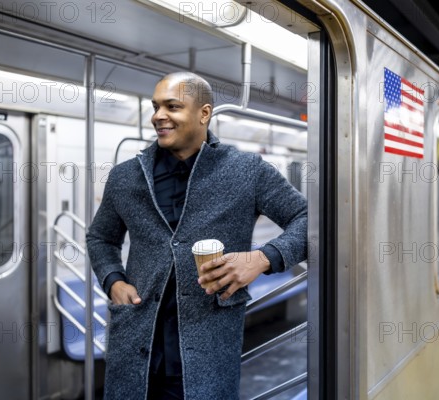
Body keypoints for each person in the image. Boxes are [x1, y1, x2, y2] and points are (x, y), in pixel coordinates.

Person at [86, 71, 308, 400]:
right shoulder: (126, 176)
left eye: (172, 106)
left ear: (204, 113)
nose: (159, 116)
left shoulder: (246, 171)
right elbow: (100, 238)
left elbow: (307, 220)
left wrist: (263, 258)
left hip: (208, 350)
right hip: (134, 349)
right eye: (156, 106)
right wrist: (113, 280)